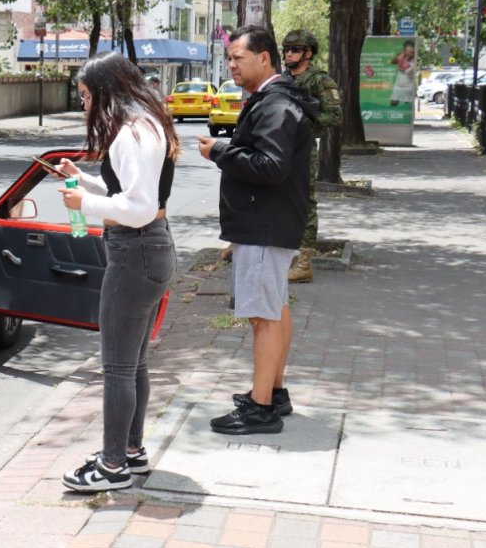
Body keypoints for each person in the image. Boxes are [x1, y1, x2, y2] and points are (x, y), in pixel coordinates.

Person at [55, 53, 178, 493]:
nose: (84, 105)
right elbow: (131, 194)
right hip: (150, 249)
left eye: (87, 96)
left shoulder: (130, 132)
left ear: (109, 90)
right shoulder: (147, 123)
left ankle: (111, 467)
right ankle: (129, 452)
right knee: (134, 363)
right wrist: (84, 182)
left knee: (118, 369)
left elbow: (137, 207)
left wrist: (82, 204)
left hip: (135, 252)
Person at [197, 26, 319, 435]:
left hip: (265, 227)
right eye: (229, 58)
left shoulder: (275, 104)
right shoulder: (274, 99)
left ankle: (260, 406)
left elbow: (270, 166)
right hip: (268, 224)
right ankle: (273, 392)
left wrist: (220, 151)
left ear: (264, 58)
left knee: (263, 317)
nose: (231, 64)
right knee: (274, 310)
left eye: (238, 57)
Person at [281, 29, 342, 284]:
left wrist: (307, 121)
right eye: (286, 49)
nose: (289, 54)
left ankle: (304, 262)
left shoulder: (319, 80)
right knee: (282, 202)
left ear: (308, 53)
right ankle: (286, 256)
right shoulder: (282, 78)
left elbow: (335, 116)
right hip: (282, 147)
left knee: (306, 203)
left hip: (304, 149)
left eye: (295, 49)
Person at [389, 40, 416, 107]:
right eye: (407, 50)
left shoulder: (414, 61)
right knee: (393, 102)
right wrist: (399, 58)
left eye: (411, 51)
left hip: (408, 85)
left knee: (407, 104)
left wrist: (403, 64)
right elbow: (392, 61)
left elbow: (407, 71)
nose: (410, 52)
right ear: (405, 50)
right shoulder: (402, 56)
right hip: (398, 84)